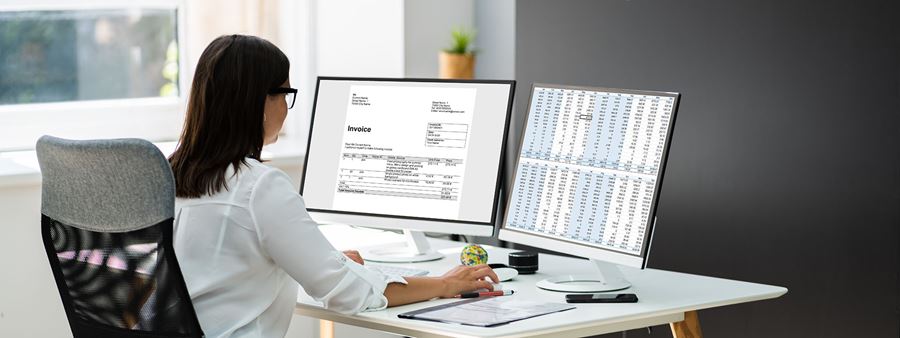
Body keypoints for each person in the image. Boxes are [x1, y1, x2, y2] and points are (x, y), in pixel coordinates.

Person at [168, 34, 499, 338]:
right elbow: (346, 293)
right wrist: (443, 284)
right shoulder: (259, 186)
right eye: (285, 93)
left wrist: (321, 259)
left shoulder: (169, 175)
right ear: (259, 101)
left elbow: (223, 266)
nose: (285, 107)